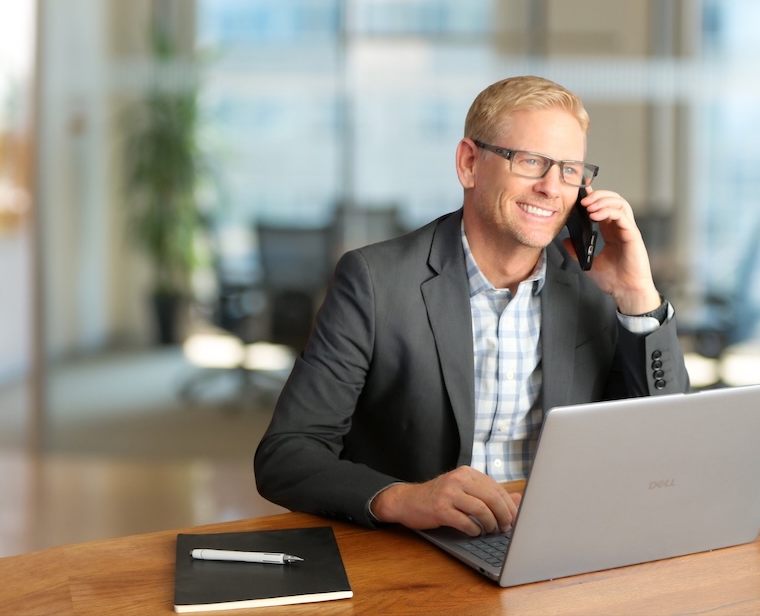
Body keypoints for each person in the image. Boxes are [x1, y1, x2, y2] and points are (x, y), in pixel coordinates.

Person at [254, 75, 689, 538]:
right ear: (468, 164)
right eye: (531, 161)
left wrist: (638, 296)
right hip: (423, 549)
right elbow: (288, 454)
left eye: (569, 170)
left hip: (559, 538)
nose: (552, 188)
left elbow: (664, 446)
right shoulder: (375, 282)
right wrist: (403, 497)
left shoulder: (595, 285)